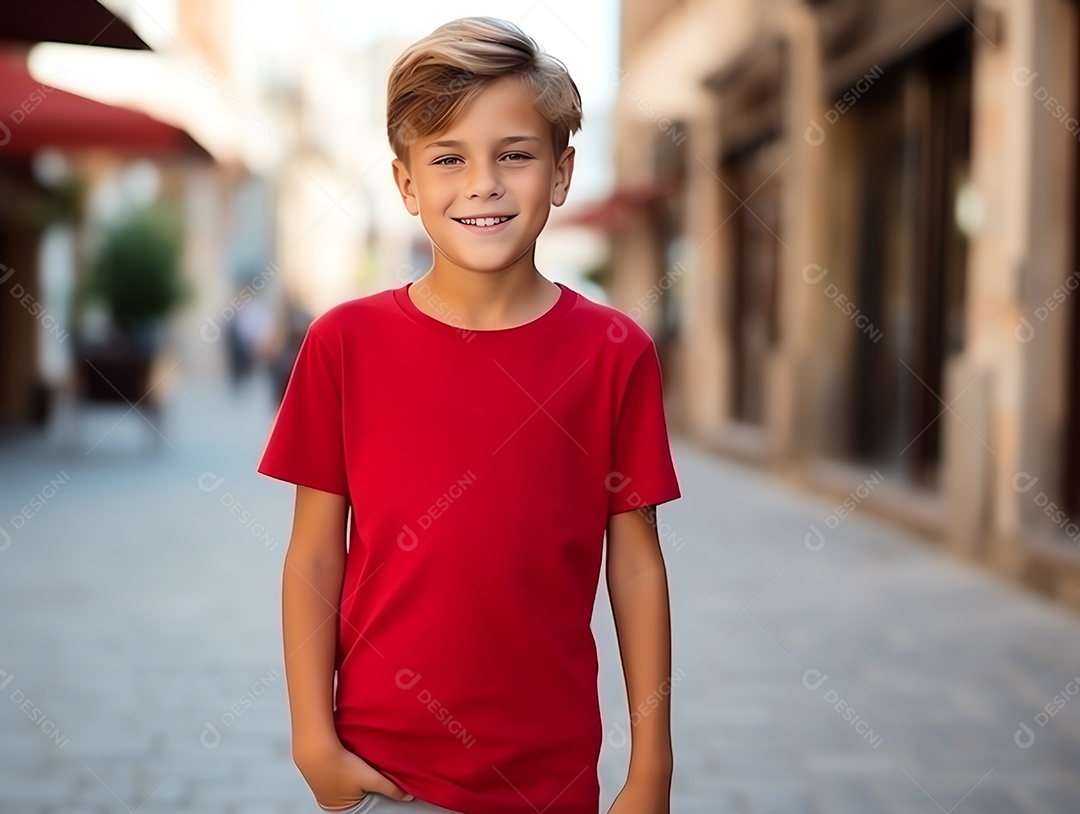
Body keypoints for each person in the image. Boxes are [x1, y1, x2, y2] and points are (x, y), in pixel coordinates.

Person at [257, 16, 682, 814]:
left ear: (561, 172)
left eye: (513, 155)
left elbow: (635, 566)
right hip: (382, 773)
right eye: (448, 158)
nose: (482, 183)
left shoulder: (614, 352)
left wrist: (651, 770)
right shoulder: (344, 344)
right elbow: (315, 554)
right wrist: (313, 741)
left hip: (551, 781)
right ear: (408, 185)